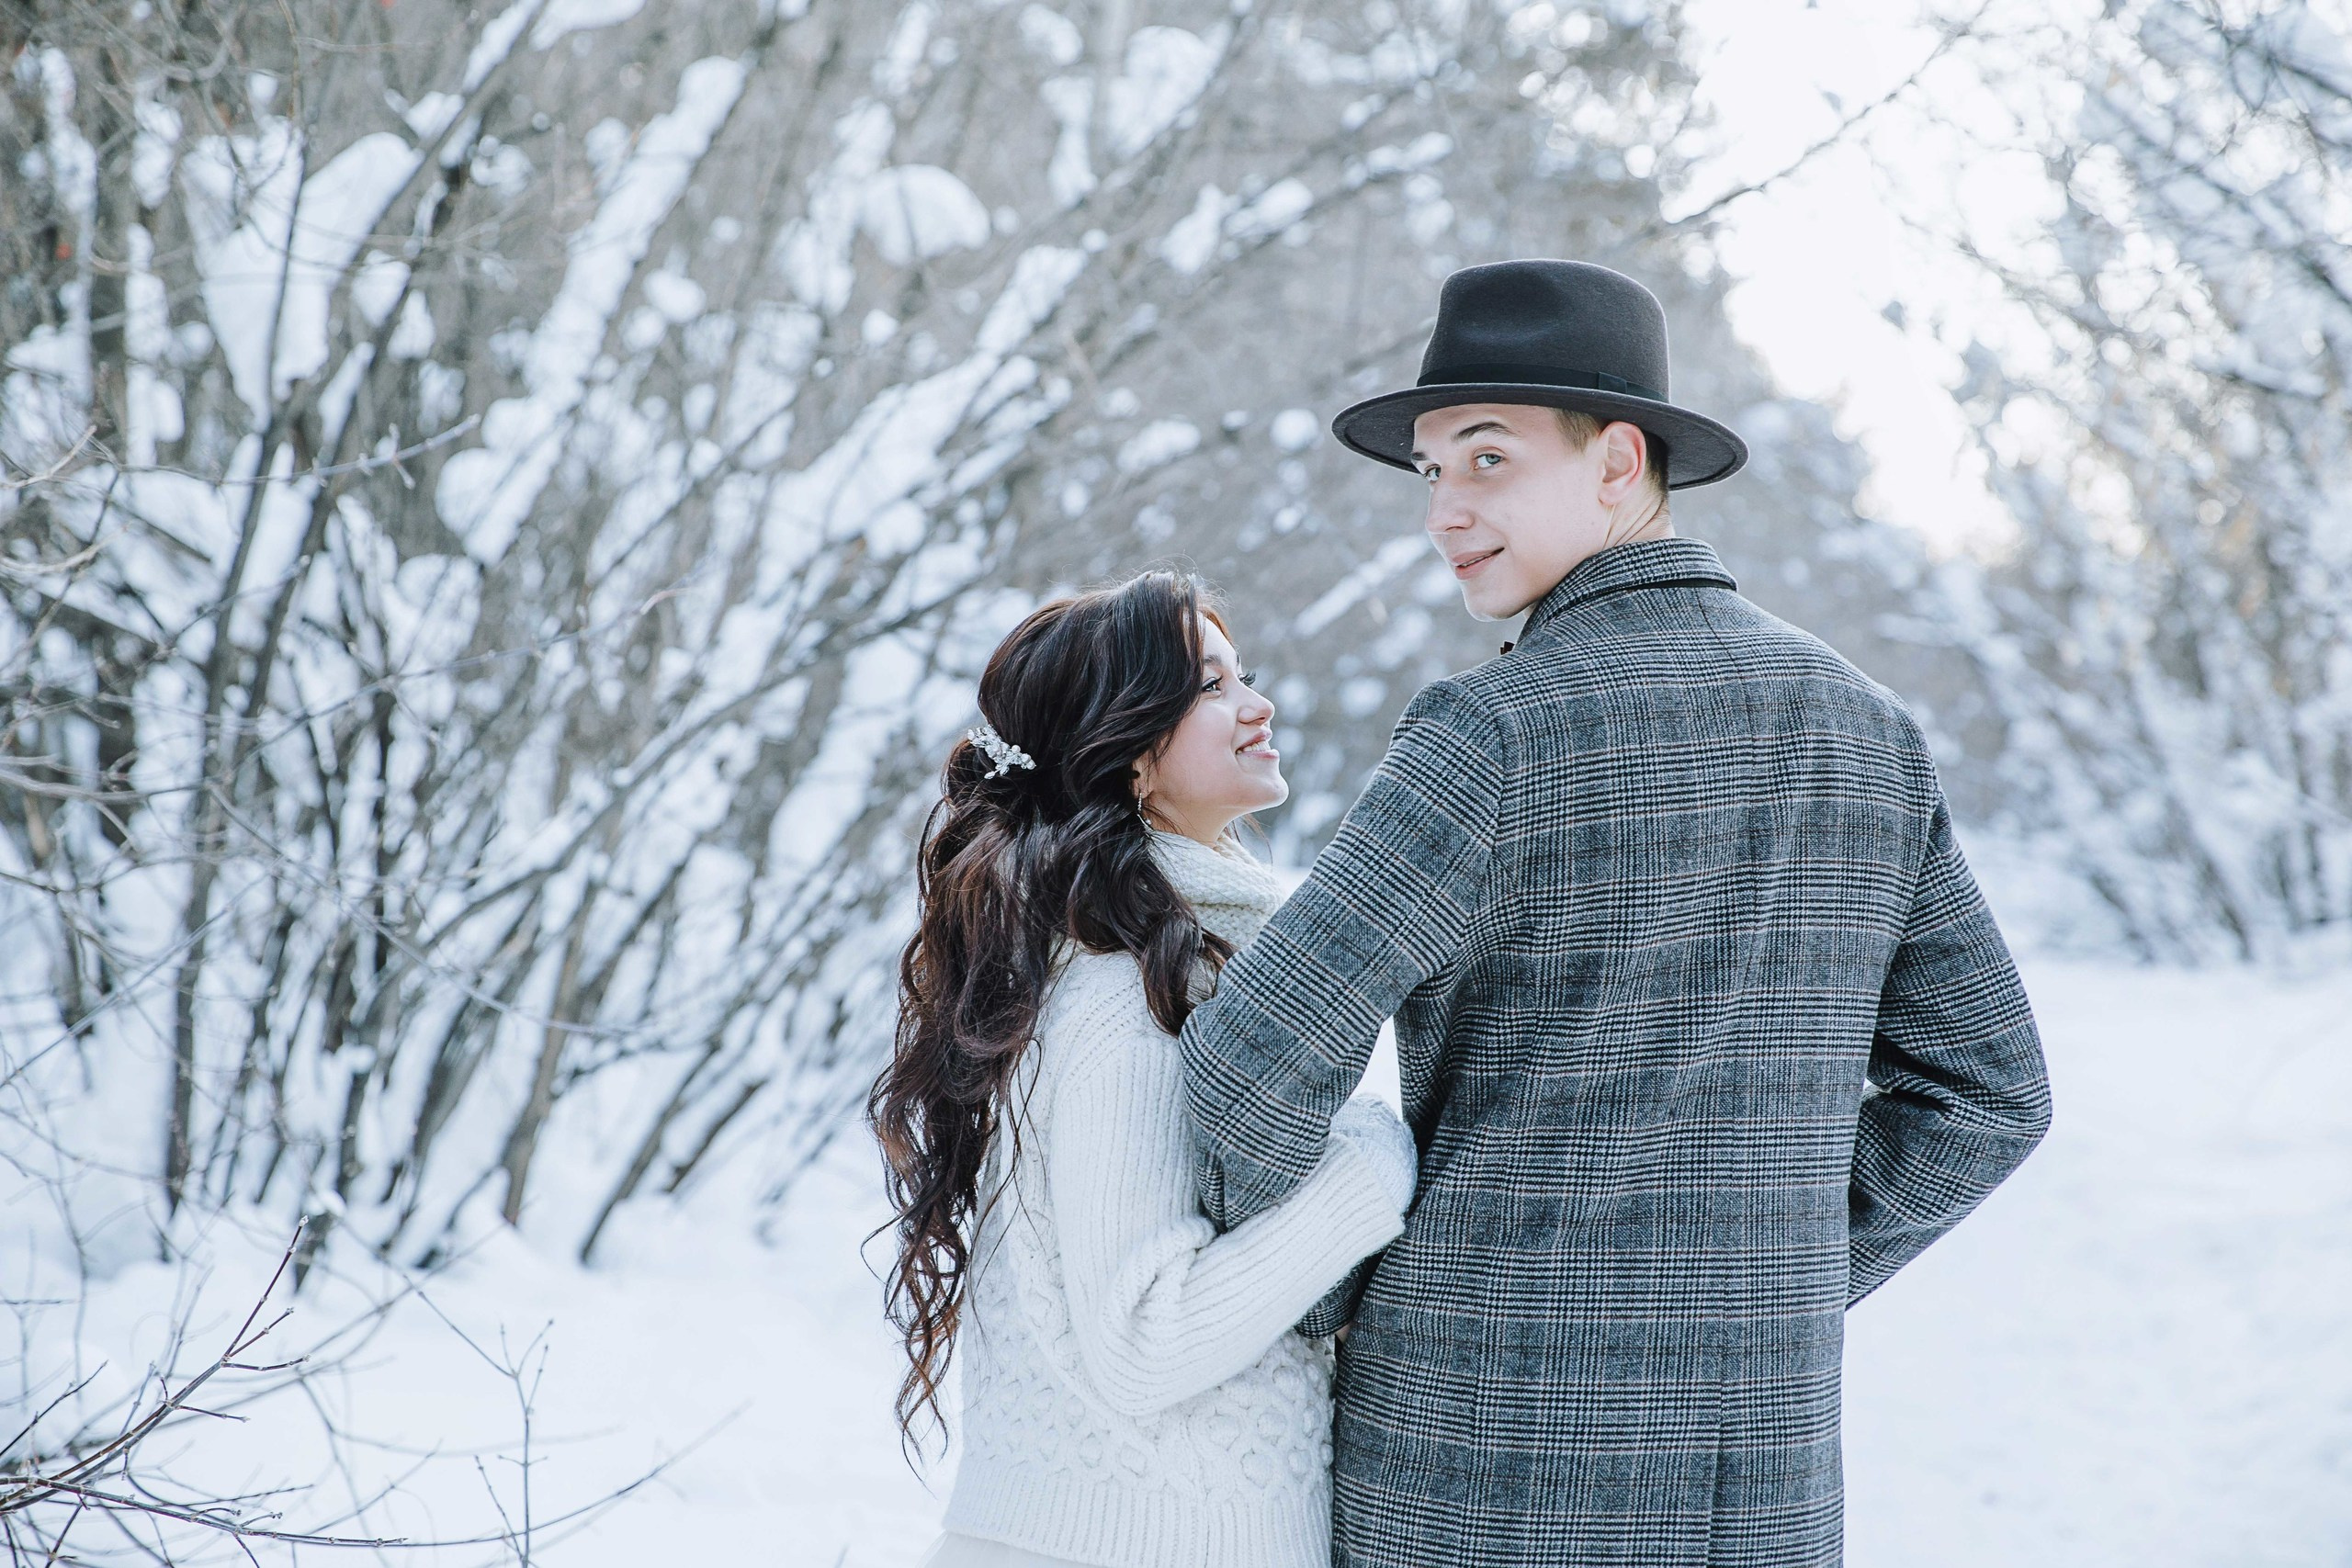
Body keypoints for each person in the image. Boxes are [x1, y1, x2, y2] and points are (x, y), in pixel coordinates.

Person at [1179, 259, 2055, 1567]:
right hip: (1757, 1471)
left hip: (1476, 1456)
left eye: (1485, 459)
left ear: (1617, 461)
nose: (1444, 510)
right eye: (1428, 472)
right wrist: (1778, 1284)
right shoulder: (1863, 727)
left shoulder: (1490, 731)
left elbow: (1251, 1060)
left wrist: (1358, 1295)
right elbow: (1989, 1094)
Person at [871, 571, 1419, 1568]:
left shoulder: (1140, 964)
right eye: (1210, 687)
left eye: (1240, 674)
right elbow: (1145, 1340)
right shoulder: (1120, 1003)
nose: (1257, 705)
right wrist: (1368, 1174)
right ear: (1128, 756)